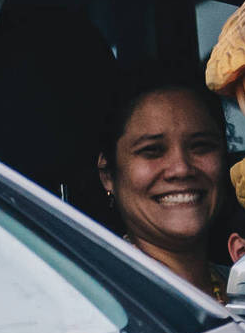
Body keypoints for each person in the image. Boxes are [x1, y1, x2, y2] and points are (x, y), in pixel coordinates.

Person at [95, 71, 236, 300]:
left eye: (201, 146)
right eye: (152, 151)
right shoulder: (100, 305)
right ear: (108, 174)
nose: (181, 168)